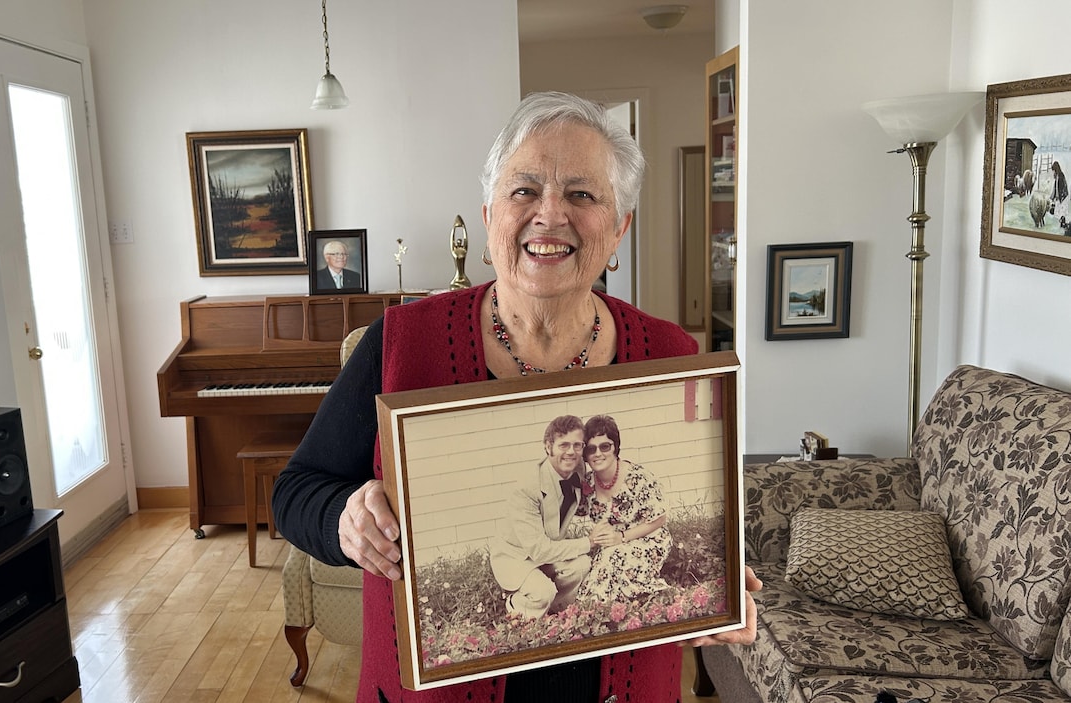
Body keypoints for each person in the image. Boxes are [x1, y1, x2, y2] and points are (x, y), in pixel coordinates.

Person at [273, 91, 759, 703]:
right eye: (524, 190)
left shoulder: (671, 354)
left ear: (619, 228)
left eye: (582, 194)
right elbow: (294, 494)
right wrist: (345, 519)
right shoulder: (400, 343)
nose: (549, 215)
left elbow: (681, 514)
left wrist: (714, 585)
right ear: (489, 216)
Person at [488, 415, 600, 619]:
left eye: (577, 445)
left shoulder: (578, 469)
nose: (571, 452)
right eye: (563, 445)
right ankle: (517, 607)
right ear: (548, 447)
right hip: (517, 556)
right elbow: (539, 550)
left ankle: (557, 611)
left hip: (548, 548)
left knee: (582, 565)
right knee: (542, 592)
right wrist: (588, 542)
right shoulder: (527, 488)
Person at [576, 414, 674, 603]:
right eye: (591, 449)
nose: (598, 453)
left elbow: (660, 518)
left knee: (613, 559)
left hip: (648, 539)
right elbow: (571, 510)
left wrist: (621, 537)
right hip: (612, 544)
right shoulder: (588, 483)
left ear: (615, 447)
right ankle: (597, 608)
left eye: (605, 446)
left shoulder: (638, 477)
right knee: (603, 565)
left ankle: (601, 607)